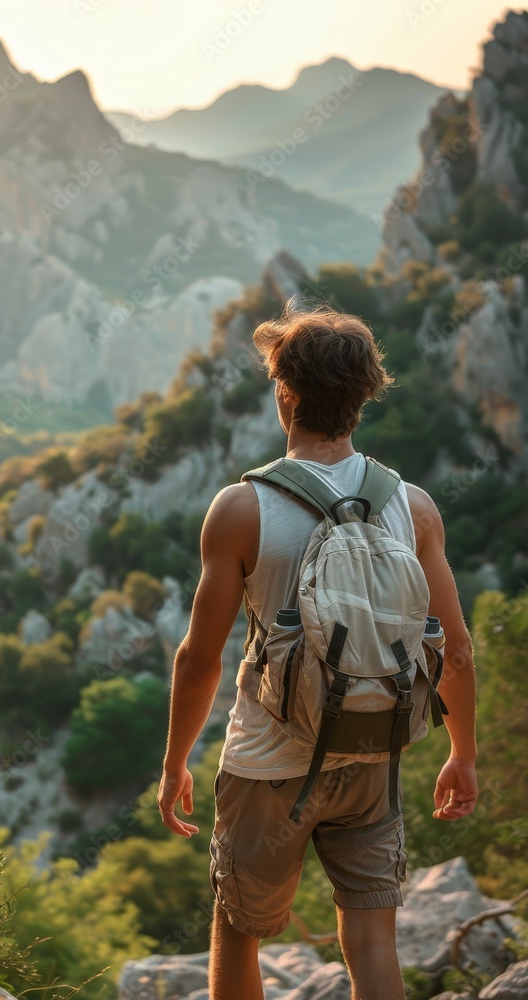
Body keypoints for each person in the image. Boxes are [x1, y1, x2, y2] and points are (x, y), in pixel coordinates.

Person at [157, 302, 478, 1000]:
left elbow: (198, 658)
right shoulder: (414, 507)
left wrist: (174, 762)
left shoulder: (242, 509)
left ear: (285, 393)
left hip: (267, 763)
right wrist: (462, 752)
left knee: (239, 928)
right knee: (371, 939)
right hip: (372, 751)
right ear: (363, 396)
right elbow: (453, 648)